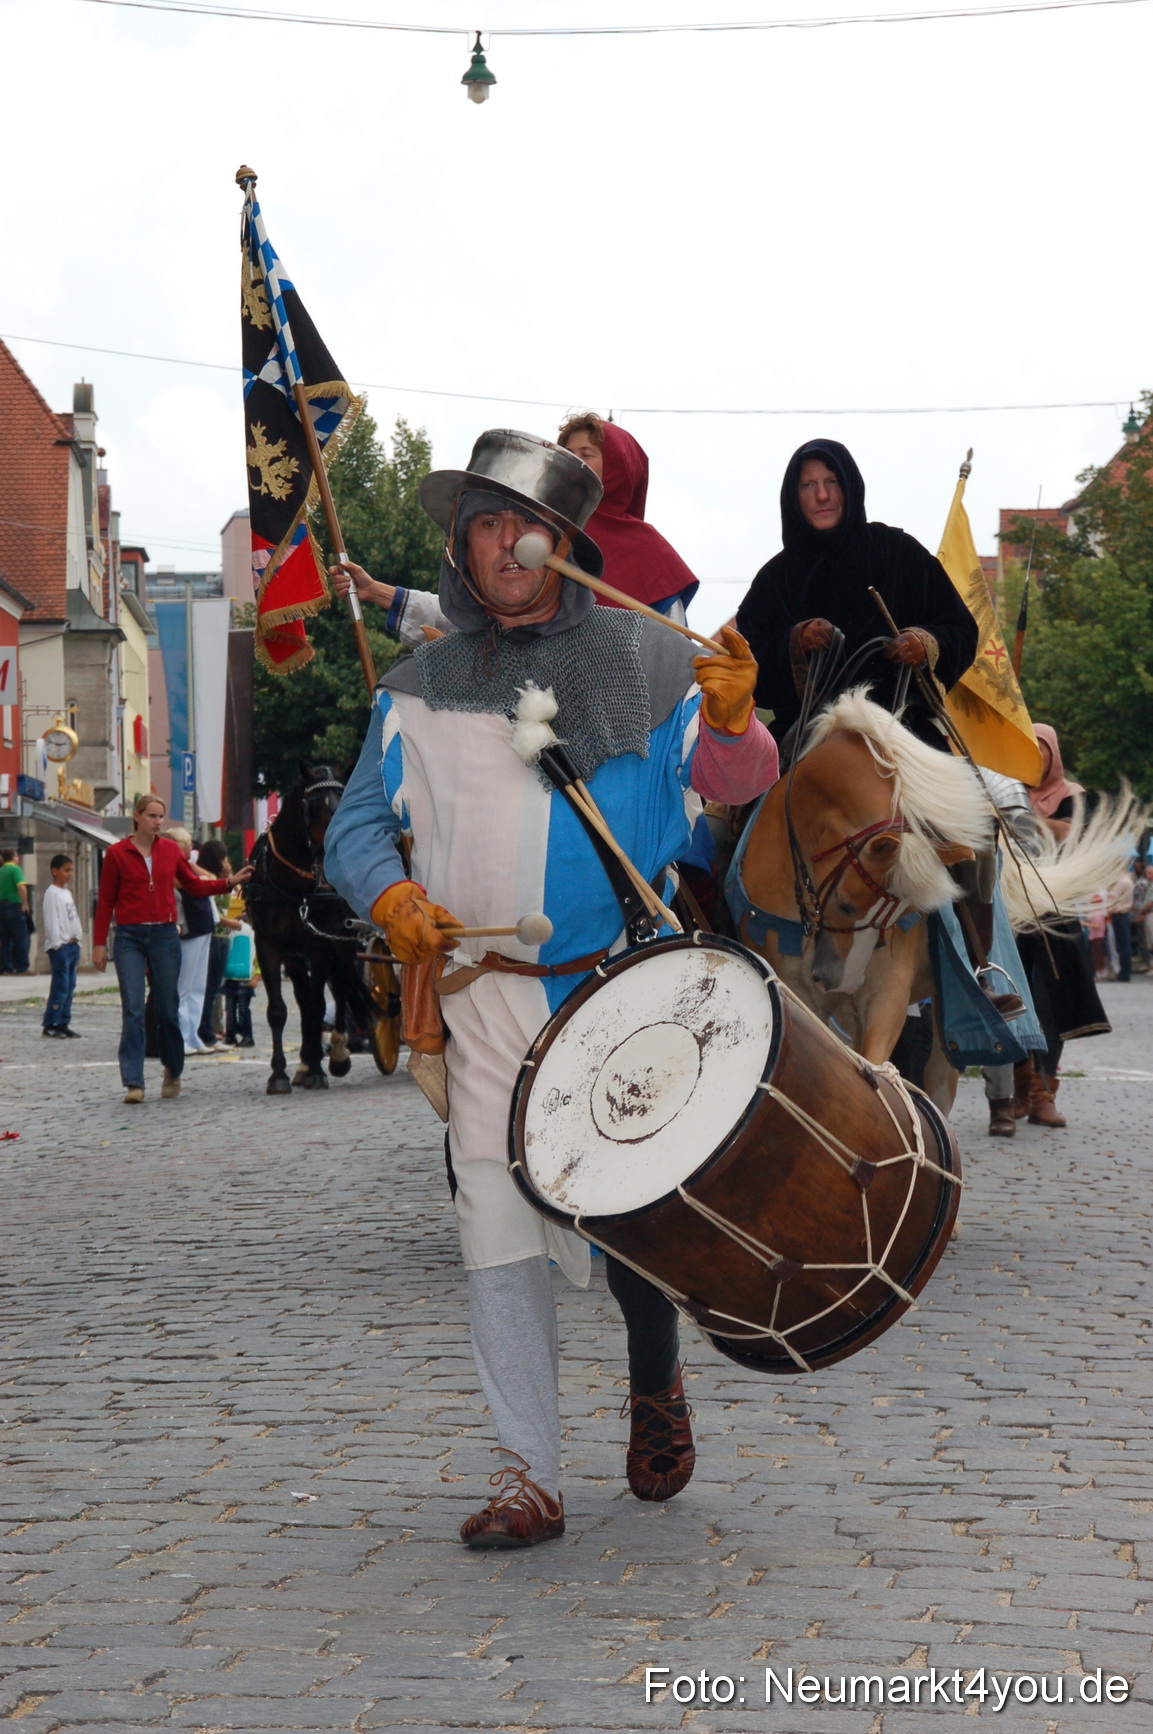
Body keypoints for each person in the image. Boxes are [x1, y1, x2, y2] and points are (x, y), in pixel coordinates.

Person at [326, 428, 778, 1549]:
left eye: (524, 524)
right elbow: (357, 828)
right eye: (483, 523)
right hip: (483, 1002)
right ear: (463, 552)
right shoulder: (418, 688)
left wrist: (731, 720)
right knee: (493, 1224)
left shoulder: (647, 659)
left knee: (630, 1223)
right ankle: (528, 1472)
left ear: (565, 542)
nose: (505, 543)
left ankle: (655, 1371)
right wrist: (388, 896)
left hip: (619, 989)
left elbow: (730, 790)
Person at [736, 439, 979, 753]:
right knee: (746, 800)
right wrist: (797, 642)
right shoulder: (775, 579)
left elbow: (961, 629)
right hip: (805, 736)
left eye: (832, 482)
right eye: (808, 484)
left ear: (849, 486)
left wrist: (922, 643)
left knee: (962, 799)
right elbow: (749, 662)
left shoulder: (897, 553)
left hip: (903, 729)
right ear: (793, 497)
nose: (822, 495)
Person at [92, 794, 251, 1103]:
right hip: (129, 938)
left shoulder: (169, 851)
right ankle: (134, 1082)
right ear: (137, 817)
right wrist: (99, 944)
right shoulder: (117, 853)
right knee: (134, 1009)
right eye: (152, 815)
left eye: (161, 816)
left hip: (165, 935)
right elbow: (106, 901)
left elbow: (193, 885)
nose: (157, 821)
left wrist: (228, 883)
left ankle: (173, 1070)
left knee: (167, 1008)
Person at [556, 413, 698, 621]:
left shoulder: (648, 548)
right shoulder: (543, 525)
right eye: (568, 454)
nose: (575, 462)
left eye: (586, 454)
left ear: (617, 465)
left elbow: (670, 641)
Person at [195, 839, 241, 1047]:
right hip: (216, 937)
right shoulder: (210, 880)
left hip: (220, 936)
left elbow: (235, 902)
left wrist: (231, 877)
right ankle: (206, 1031)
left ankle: (206, 1029)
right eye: (224, 857)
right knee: (210, 989)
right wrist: (229, 921)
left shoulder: (217, 878)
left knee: (210, 988)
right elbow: (217, 912)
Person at [41, 854, 83, 1039]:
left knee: (70, 985)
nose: (70, 874)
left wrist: (78, 937)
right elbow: (51, 920)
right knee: (60, 986)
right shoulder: (52, 893)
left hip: (72, 944)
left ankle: (64, 1021)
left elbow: (72, 916)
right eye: (66, 870)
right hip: (61, 947)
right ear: (54, 871)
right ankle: (52, 1023)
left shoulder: (67, 893)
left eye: (71, 870)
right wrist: (57, 943)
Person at [0, 846, 31, 975]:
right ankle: (22, 967)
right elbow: (21, 887)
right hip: (14, 906)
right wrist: (25, 903)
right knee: (21, 938)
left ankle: (7, 967)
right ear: (13, 858)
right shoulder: (15, 869)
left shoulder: (1, 870)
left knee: (5, 939)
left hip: (1, 907)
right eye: (17, 856)